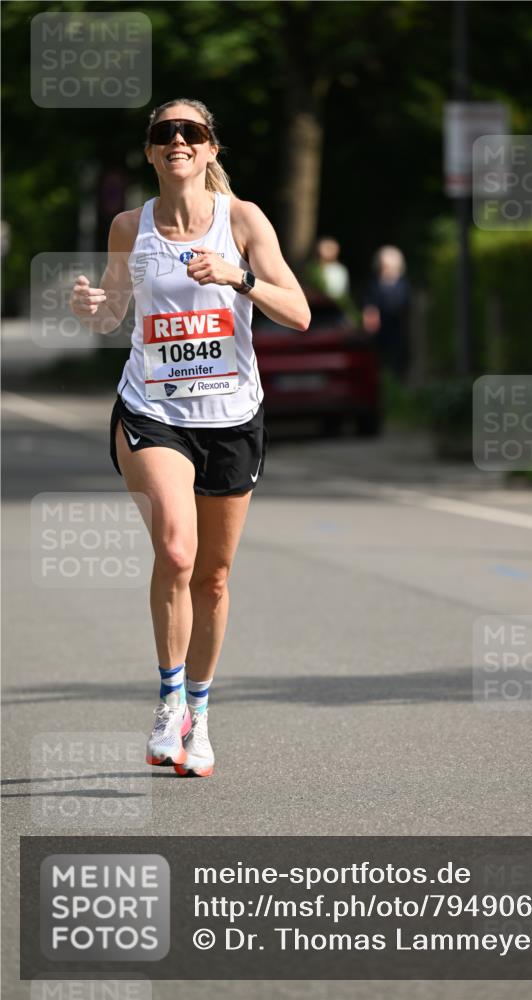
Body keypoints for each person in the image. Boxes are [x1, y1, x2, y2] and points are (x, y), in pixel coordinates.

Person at [69, 98, 310, 777]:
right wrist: (93, 309)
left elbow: (296, 310)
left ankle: (200, 716)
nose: (177, 140)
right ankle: (169, 696)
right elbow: (115, 310)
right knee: (177, 549)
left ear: (210, 150)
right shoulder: (129, 226)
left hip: (232, 418)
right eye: (163, 133)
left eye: (191, 132)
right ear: (150, 152)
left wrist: (238, 275)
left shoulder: (242, 220)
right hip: (154, 411)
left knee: (213, 575)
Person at [362, 245, 411, 381]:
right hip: (379, 332)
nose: (386, 269)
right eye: (384, 265)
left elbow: (407, 307)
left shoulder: (403, 285)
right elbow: (369, 308)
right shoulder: (373, 284)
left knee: (397, 363)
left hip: (398, 329)